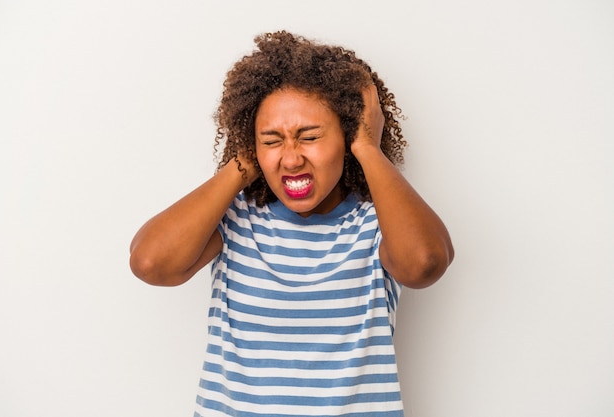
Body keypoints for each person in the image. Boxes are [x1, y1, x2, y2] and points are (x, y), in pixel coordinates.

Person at [130, 30, 454, 417]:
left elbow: (424, 263)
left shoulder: (378, 220)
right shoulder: (235, 217)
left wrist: (368, 146)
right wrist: (243, 164)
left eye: (309, 136)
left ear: (347, 136)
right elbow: (150, 263)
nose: (291, 158)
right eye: (271, 140)